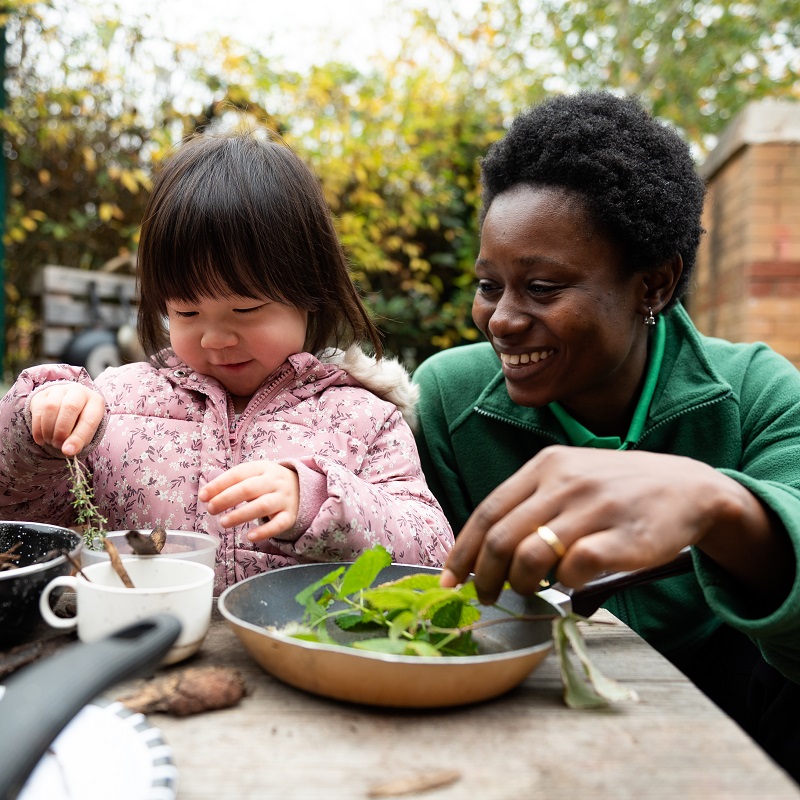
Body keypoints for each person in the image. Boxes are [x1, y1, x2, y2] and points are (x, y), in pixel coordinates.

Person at [412, 91, 800, 780]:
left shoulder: (759, 395)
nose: (501, 318)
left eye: (541, 285)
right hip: (512, 744)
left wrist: (718, 503)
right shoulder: (447, 399)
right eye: (487, 284)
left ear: (653, 286)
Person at [0, 130, 453, 594]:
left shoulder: (364, 418)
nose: (215, 338)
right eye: (187, 312)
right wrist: (35, 428)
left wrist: (320, 503)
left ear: (311, 295)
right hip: (139, 652)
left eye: (246, 309)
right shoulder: (117, 404)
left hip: (296, 655)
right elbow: (19, 511)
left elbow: (433, 554)